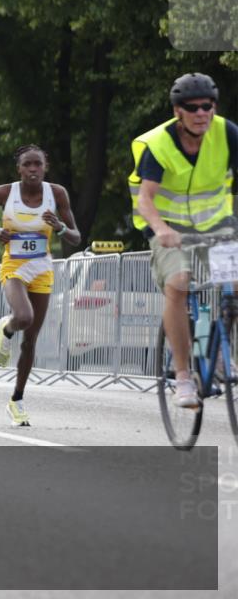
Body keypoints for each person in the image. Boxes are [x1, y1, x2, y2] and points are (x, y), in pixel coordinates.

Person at [128, 72, 238, 408]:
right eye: (193, 107)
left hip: (217, 225)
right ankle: (183, 377)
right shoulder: (159, 145)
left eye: (208, 105)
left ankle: (221, 351)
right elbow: (145, 198)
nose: (202, 112)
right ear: (178, 112)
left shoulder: (227, 133)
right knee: (179, 284)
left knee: (234, 285)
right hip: (170, 229)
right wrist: (161, 229)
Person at [0, 145, 81, 426]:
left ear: (46, 167)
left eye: (38, 165)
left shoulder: (57, 194)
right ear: (18, 169)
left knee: (30, 341)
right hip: (14, 266)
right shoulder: (4, 193)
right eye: (27, 165)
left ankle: (16, 401)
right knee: (23, 317)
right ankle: (5, 329)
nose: (33, 169)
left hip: (42, 269)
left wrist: (60, 227)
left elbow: (76, 237)